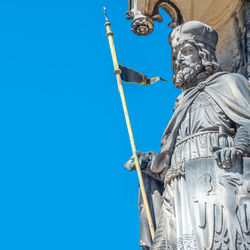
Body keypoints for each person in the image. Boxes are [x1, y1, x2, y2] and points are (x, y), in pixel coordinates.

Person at [124, 21, 250, 249]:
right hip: (177, 186)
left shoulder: (230, 83)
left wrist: (238, 148)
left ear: (204, 54)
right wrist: (149, 162)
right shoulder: (181, 103)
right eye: (175, 55)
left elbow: (248, 122)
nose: (179, 59)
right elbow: (170, 157)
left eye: (186, 51)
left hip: (215, 182)